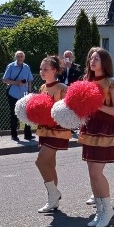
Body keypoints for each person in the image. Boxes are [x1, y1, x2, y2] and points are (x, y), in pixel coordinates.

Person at [80, 47, 114, 227]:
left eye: (97, 58)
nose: (93, 60)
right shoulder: (86, 81)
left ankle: (108, 210)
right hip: (90, 127)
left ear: (104, 62)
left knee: (97, 172)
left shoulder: (111, 83)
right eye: (91, 57)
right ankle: (99, 211)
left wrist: (98, 106)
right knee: (91, 173)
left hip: (105, 128)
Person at [35, 55, 71, 213]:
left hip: (58, 131)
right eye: (41, 69)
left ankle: (54, 194)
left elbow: (67, 111)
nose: (42, 72)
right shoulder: (42, 87)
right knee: (50, 164)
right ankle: (53, 199)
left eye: (46, 69)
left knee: (40, 162)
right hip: (44, 130)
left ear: (55, 70)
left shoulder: (62, 88)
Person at [2, 51, 34, 142]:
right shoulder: (11, 66)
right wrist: (17, 82)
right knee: (14, 115)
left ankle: (28, 135)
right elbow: (4, 80)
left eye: (21, 56)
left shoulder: (26, 67)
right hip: (13, 94)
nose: (19, 57)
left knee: (27, 114)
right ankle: (14, 135)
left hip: (24, 95)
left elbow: (30, 80)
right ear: (15, 57)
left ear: (24, 58)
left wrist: (29, 91)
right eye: (18, 56)